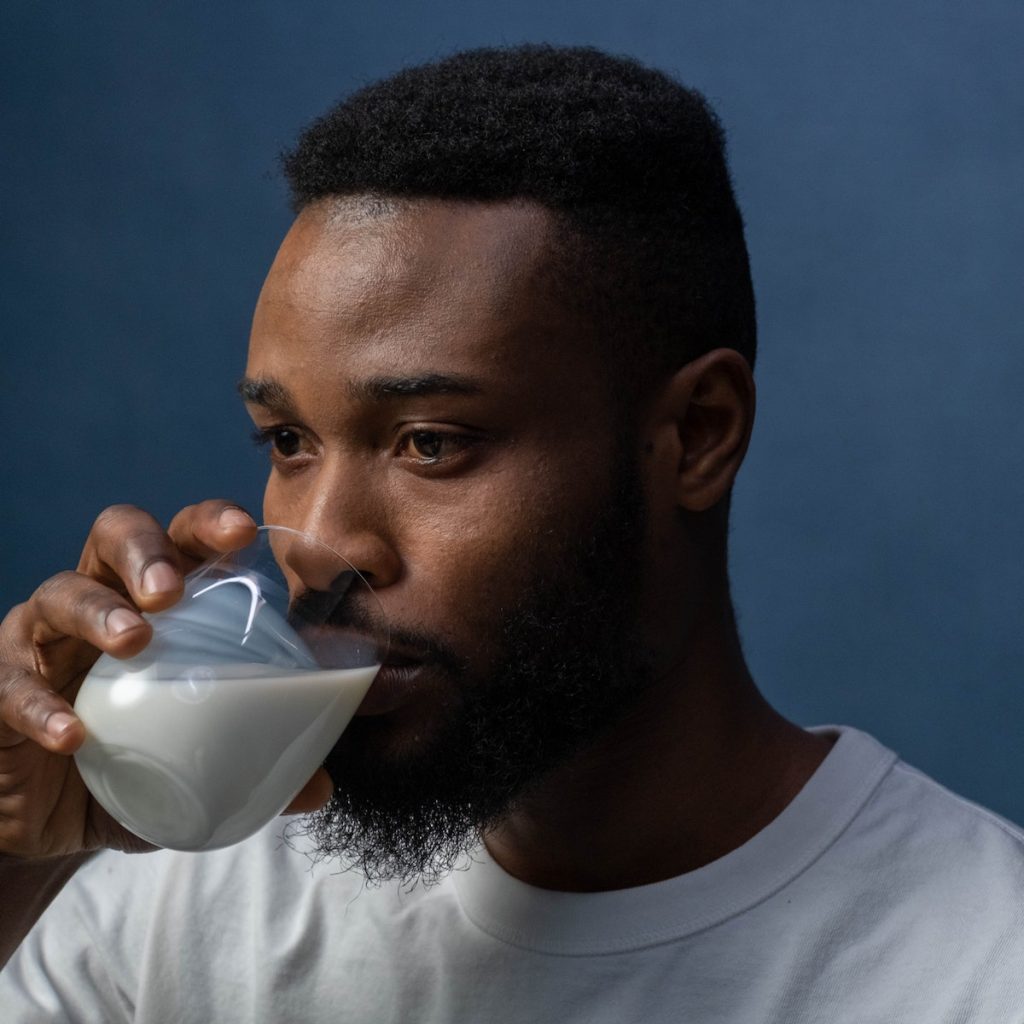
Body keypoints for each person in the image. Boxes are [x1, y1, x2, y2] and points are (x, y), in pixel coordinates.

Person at [1, 43, 1023, 1022]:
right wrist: (17, 861)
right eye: (289, 440)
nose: (316, 540)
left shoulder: (981, 965)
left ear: (697, 435)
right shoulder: (177, 899)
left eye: (431, 443)